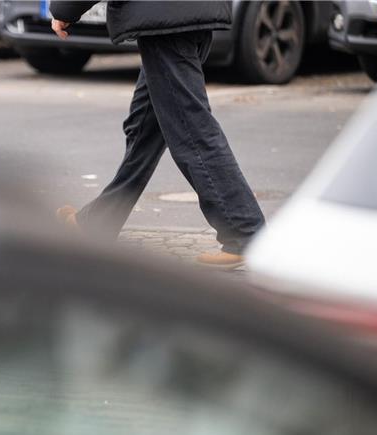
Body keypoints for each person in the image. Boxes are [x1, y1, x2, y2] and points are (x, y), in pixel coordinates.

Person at [51, 0, 266, 268]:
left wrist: (64, 10)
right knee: (144, 128)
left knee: (191, 130)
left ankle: (245, 231)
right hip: (188, 14)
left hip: (166, 24)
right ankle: (95, 224)